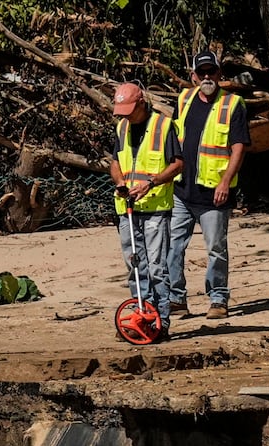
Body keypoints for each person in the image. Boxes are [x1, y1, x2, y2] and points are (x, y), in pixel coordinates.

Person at [168, 52, 251, 320]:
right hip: (182, 190)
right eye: (201, 73)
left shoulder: (233, 104)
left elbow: (239, 147)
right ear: (193, 76)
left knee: (216, 247)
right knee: (173, 246)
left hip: (214, 193)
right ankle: (176, 299)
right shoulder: (183, 99)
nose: (207, 77)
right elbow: (174, 138)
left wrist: (225, 182)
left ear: (219, 74)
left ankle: (218, 299)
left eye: (211, 72)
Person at [107, 81, 182, 343]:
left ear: (141, 103)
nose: (125, 116)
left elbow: (178, 164)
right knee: (134, 267)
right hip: (127, 208)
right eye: (121, 112)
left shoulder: (163, 126)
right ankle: (140, 315)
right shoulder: (121, 127)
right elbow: (115, 163)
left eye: (129, 110)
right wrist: (120, 183)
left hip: (155, 209)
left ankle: (160, 323)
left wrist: (151, 183)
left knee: (157, 268)